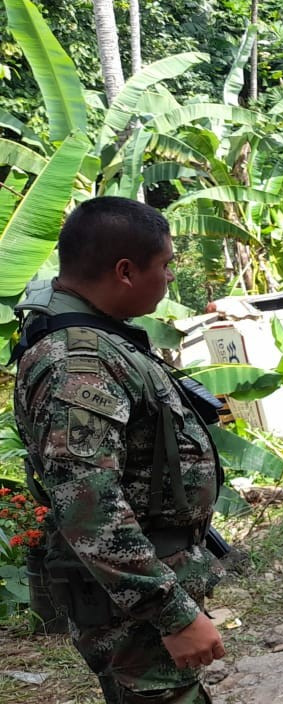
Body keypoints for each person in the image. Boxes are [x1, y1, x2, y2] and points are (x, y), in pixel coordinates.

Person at [12, 197, 226, 702]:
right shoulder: (78, 361)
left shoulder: (100, 340)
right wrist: (173, 615)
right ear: (125, 271)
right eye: (167, 264)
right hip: (132, 611)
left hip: (144, 589)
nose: (171, 276)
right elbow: (89, 508)